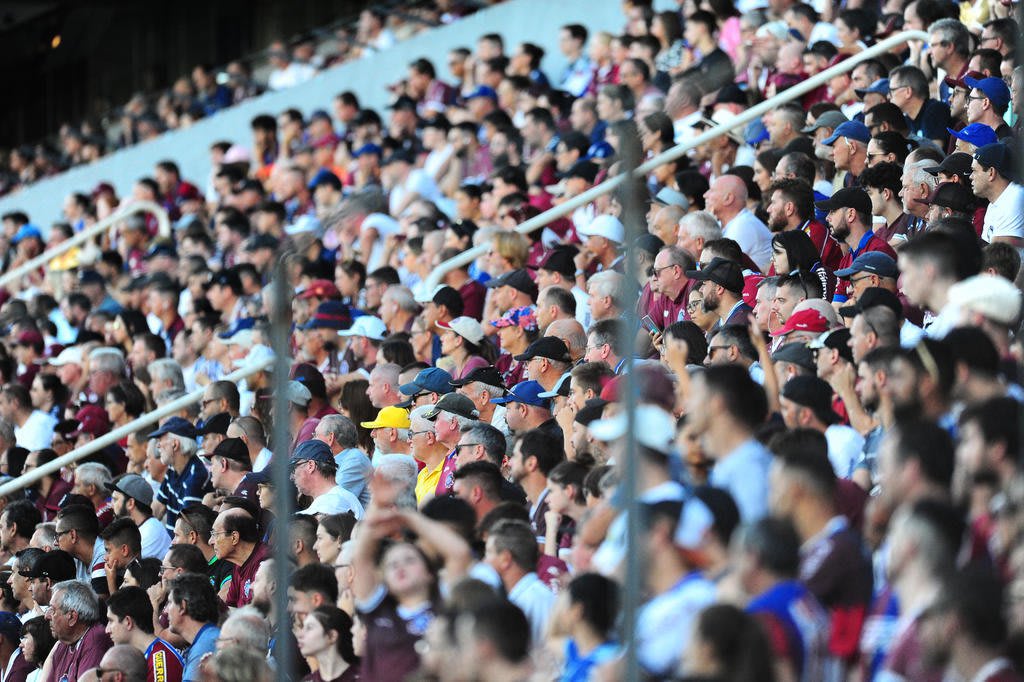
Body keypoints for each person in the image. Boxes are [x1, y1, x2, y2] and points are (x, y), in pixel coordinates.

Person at [105, 585, 186, 682]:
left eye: (111, 621)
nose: (107, 630)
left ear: (128, 622)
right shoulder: (145, 656)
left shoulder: (160, 662)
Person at [41, 580, 113, 682]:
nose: (47, 616)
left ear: (72, 617)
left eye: (52, 610)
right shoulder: (63, 644)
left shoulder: (95, 641)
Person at [166, 573, 220, 682]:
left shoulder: (205, 646)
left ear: (182, 606)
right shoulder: (207, 638)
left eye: (170, 602)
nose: (166, 611)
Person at [296, 606, 358, 682]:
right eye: (303, 627)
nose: (300, 635)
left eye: (309, 628)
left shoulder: (365, 678)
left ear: (332, 636)